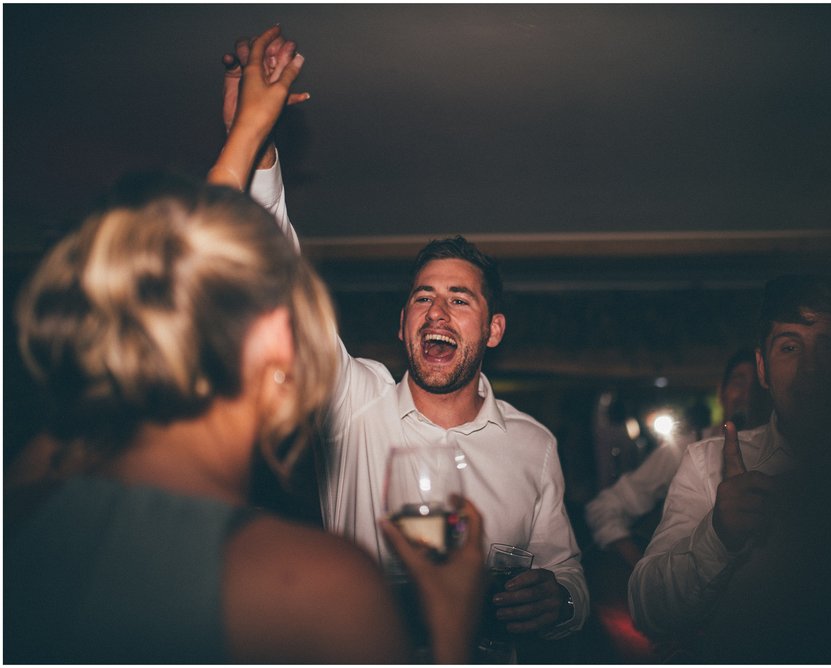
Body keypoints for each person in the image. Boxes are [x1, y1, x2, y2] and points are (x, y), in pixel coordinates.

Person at [4, 26, 486, 664]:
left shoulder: (31, 490)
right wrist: (453, 617)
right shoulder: (317, 587)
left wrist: (248, 137)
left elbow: (186, 269)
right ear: (275, 346)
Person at [221, 36, 589, 641]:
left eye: (459, 299)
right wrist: (253, 139)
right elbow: (279, 281)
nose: (436, 313)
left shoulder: (534, 444)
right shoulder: (353, 403)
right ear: (403, 325)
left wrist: (561, 601)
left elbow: (565, 571)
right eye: (422, 297)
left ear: (494, 330)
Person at [627, 274, 831, 662]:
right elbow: (649, 608)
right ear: (763, 369)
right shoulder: (706, 462)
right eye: (790, 347)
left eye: (828, 347)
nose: (810, 368)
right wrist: (719, 535)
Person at [585, 348, 770, 570]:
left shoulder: (784, 455)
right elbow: (604, 508)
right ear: (721, 391)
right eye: (739, 383)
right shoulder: (685, 448)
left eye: (758, 386)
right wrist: (640, 568)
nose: (748, 395)